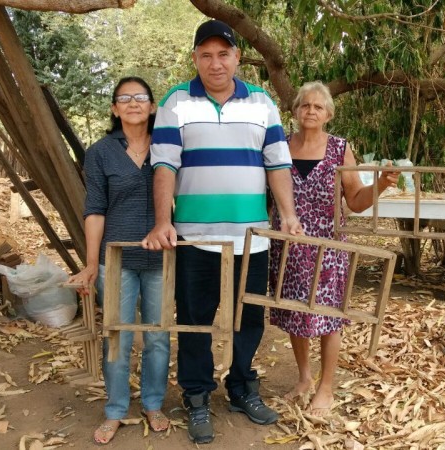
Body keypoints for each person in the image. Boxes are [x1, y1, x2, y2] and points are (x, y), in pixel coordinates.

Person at [142, 19, 303, 445]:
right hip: (195, 237)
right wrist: (163, 222)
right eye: (207, 55)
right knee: (195, 319)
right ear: (195, 58)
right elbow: (164, 167)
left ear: (236, 58)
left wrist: (287, 215)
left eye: (224, 54)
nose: (216, 63)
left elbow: (278, 165)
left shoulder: (263, 103)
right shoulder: (175, 102)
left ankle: (241, 388)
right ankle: (196, 397)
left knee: (248, 318)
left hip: (252, 237)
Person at [268, 81, 398, 417]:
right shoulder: (280, 146)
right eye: (305, 105)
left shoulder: (340, 149)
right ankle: (304, 378)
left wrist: (380, 185)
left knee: (328, 317)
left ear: (328, 114)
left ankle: (326, 387)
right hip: (289, 248)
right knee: (296, 312)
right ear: (294, 111)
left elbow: (354, 201)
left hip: (328, 250)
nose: (311, 111)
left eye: (318, 107)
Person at [66, 77, 170, 445]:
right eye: (124, 98)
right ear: (114, 109)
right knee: (117, 336)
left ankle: (154, 403)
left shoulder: (168, 146)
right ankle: (115, 409)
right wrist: (91, 263)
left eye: (140, 97)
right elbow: (95, 209)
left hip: (162, 259)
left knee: (157, 337)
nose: (133, 103)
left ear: (153, 106)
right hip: (116, 259)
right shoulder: (101, 152)